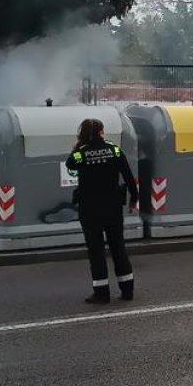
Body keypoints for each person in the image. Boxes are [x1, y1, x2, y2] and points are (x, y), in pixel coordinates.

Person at [65, 118, 139, 304]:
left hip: (90, 209)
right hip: (113, 207)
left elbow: (70, 165)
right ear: (101, 132)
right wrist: (134, 199)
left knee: (96, 251)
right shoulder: (114, 150)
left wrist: (81, 146)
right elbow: (129, 176)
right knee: (118, 247)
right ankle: (127, 290)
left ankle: (101, 293)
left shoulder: (80, 154)